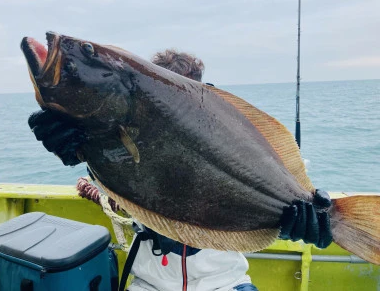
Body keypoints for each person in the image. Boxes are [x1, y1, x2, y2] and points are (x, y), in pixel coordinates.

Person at [28, 49, 332, 291]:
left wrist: (311, 220)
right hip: (150, 283)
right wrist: (79, 150)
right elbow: (115, 182)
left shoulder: (230, 139)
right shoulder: (129, 143)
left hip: (224, 282)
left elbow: (283, 190)